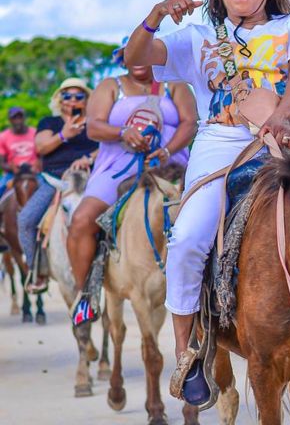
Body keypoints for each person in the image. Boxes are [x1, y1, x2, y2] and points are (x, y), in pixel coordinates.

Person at [124, 0, 290, 398]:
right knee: (187, 239)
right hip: (223, 138)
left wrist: (284, 118)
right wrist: (155, 16)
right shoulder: (198, 36)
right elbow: (136, 58)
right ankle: (188, 354)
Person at [67, 45, 197, 324]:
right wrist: (123, 132)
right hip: (117, 169)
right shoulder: (109, 86)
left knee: (210, 215)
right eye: (131, 56)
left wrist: (167, 150)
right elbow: (94, 127)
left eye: (144, 54)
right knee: (81, 219)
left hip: (171, 169)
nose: (138, 61)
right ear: (122, 60)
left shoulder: (174, 85)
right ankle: (86, 296)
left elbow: (189, 123)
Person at [17, 79, 98, 292]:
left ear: (86, 100)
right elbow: (41, 146)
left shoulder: (95, 122)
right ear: (59, 100)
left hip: (91, 177)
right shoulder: (49, 123)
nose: (72, 100)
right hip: (55, 181)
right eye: (67, 96)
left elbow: (108, 146)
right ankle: (37, 271)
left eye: (78, 96)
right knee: (26, 219)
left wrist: (89, 158)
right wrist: (64, 135)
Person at [0, 107, 39, 198]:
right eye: (14, 118)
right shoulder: (3, 137)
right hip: (12, 173)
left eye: (20, 117)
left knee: (49, 190)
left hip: (33, 172)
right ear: (10, 120)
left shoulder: (35, 133)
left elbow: (41, 155)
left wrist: (36, 166)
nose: (18, 121)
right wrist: (13, 168)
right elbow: (2, 163)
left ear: (24, 118)